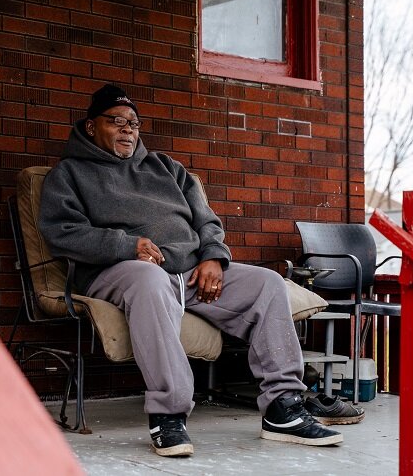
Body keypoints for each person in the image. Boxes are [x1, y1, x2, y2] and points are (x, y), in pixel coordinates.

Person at [40, 84, 346, 457]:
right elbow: (62, 233)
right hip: (120, 272)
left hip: (189, 273)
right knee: (150, 279)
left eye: (133, 123)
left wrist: (214, 258)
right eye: (116, 121)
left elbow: (208, 222)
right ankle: (168, 414)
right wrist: (126, 245)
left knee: (268, 284)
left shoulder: (167, 168)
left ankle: (283, 408)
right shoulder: (69, 174)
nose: (127, 130)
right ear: (91, 127)